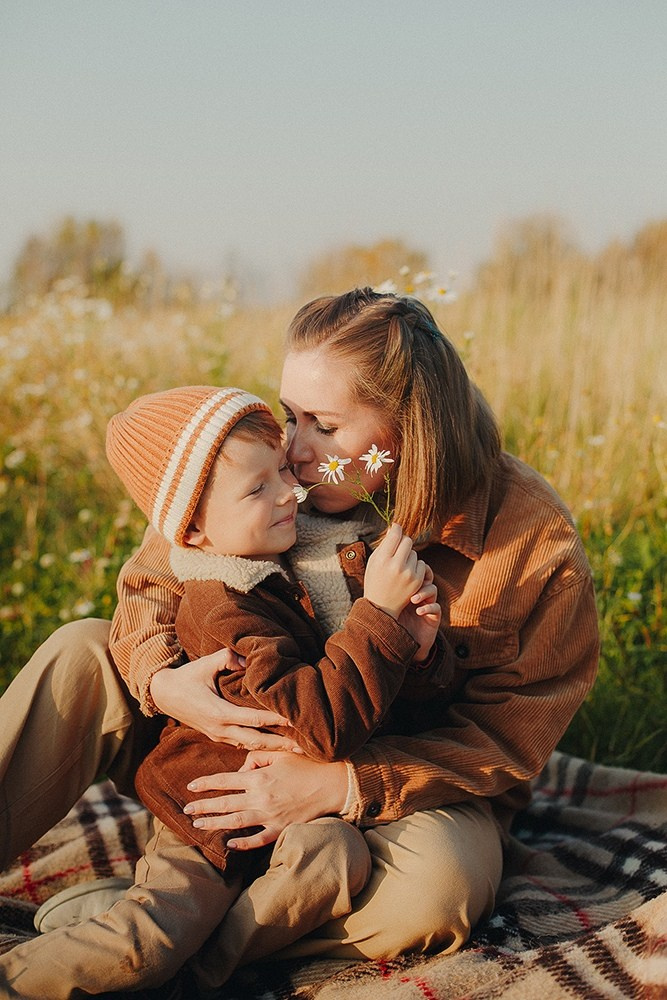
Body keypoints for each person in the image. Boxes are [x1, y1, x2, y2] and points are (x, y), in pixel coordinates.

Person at [0, 288, 599, 998]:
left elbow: (503, 742)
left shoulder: (531, 541)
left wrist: (340, 784)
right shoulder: (267, 476)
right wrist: (163, 681)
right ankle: (148, 930)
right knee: (80, 652)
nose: (298, 447)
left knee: (439, 892)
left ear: (409, 427)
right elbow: (150, 583)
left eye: (325, 425)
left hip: (402, 787)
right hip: (217, 747)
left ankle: (151, 940)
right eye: (292, 415)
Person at [106, 384, 441, 870]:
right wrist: (379, 616)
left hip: (311, 805)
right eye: (257, 488)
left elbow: (387, 697)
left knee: (331, 860)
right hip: (224, 808)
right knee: (178, 897)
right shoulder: (226, 606)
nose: (290, 489)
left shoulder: (287, 541)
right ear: (192, 531)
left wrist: (420, 653)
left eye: (283, 468)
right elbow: (325, 725)